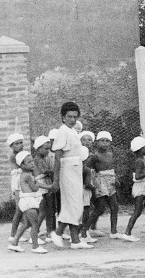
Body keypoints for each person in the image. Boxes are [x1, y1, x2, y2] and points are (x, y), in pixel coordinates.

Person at [50, 101, 93, 249]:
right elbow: (57, 156)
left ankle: (75, 240)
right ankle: (58, 232)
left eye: (75, 117)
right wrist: (56, 179)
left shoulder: (73, 131)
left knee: (74, 204)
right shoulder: (63, 131)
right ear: (63, 117)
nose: (73, 119)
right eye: (69, 116)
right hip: (67, 169)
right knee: (73, 203)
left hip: (75, 168)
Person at [8, 151, 50, 253]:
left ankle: (14, 243)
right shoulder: (27, 175)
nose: (32, 164)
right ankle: (35, 246)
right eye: (28, 162)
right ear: (22, 165)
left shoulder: (26, 174)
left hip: (26, 200)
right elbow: (35, 188)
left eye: (32, 161)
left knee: (26, 224)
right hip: (29, 201)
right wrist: (46, 186)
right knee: (34, 224)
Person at [85, 131, 124, 240]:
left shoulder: (110, 154)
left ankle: (114, 231)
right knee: (100, 207)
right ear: (97, 142)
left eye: (107, 141)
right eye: (102, 141)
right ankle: (85, 230)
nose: (105, 143)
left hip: (110, 181)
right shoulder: (94, 156)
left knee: (114, 206)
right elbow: (89, 170)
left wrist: (115, 179)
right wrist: (92, 182)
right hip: (100, 182)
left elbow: (111, 168)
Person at [32, 135, 56, 244]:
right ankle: (34, 233)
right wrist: (54, 171)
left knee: (49, 210)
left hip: (46, 183)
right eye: (46, 149)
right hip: (42, 185)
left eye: (49, 148)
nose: (48, 151)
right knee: (42, 211)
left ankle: (49, 232)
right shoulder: (37, 159)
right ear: (38, 148)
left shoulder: (43, 158)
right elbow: (44, 171)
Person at [78, 131, 101, 240]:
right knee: (85, 210)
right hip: (86, 187)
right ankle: (83, 232)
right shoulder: (81, 159)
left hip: (88, 183)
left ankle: (89, 228)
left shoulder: (93, 156)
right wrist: (93, 187)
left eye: (89, 140)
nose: (87, 142)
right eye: (84, 139)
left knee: (95, 207)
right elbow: (87, 182)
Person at [6, 133, 27, 243]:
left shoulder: (21, 154)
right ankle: (13, 234)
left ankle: (17, 233)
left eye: (21, 143)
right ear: (12, 146)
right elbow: (24, 166)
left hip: (21, 181)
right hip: (18, 183)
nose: (20, 145)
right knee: (19, 209)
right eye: (17, 144)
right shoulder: (15, 156)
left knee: (22, 209)